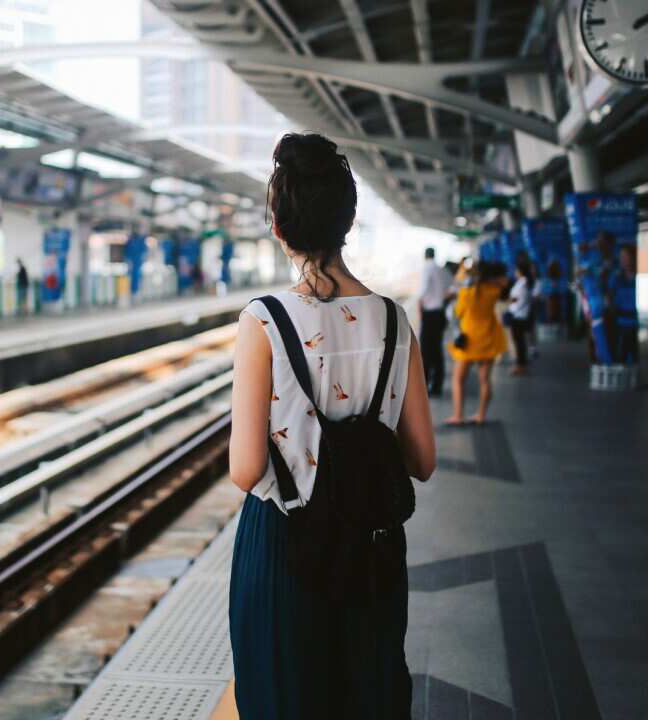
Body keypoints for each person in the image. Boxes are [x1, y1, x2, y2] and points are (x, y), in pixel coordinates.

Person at [228, 132, 436, 719]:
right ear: (347, 222)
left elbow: (247, 470)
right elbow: (422, 461)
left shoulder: (263, 321)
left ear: (278, 225)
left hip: (285, 545)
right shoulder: (394, 320)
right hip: (371, 541)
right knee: (367, 692)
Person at [447, 261, 509, 424]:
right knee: (484, 380)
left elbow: (458, 312)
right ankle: (481, 415)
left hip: (469, 339)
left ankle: (458, 416)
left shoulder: (467, 293)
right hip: (488, 337)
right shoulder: (494, 290)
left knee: (458, 379)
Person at [417, 246, 452, 396]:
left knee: (425, 350)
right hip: (440, 313)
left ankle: (425, 384)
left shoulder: (427, 268)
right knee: (437, 350)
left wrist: (420, 308)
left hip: (430, 314)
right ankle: (437, 386)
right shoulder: (442, 269)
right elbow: (453, 288)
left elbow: (423, 291)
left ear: (425, 256)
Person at [506, 256, 536, 376]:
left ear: (520, 271)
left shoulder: (523, 284)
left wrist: (511, 301)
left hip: (518, 316)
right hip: (520, 315)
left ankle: (521, 365)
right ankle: (521, 364)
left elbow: (516, 299)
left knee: (519, 342)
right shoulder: (524, 282)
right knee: (520, 342)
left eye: (516, 270)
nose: (515, 272)